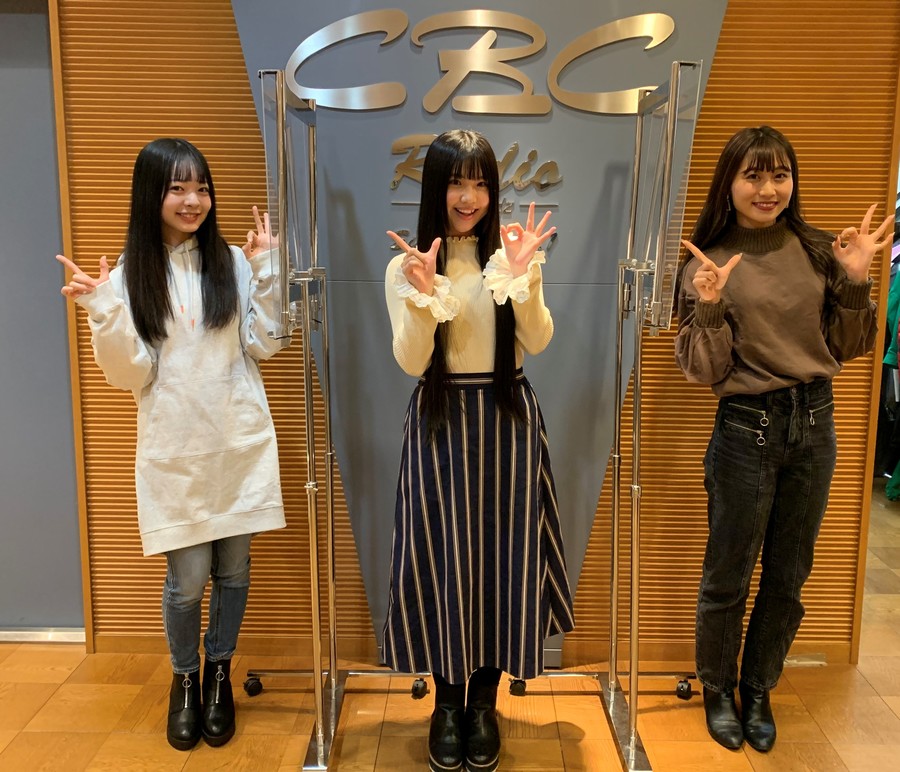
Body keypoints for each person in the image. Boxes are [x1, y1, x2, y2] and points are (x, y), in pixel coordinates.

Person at [57, 138, 287, 751]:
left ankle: (219, 673)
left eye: (201, 188)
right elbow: (129, 373)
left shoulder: (231, 262)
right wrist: (103, 310)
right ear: (150, 195)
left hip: (237, 443)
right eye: (177, 188)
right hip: (175, 451)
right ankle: (185, 677)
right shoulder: (130, 275)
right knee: (187, 581)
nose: (193, 200)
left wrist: (266, 268)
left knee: (234, 572)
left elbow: (266, 343)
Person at [675, 125, 889, 753]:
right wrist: (709, 302)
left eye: (779, 174)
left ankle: (759, 685)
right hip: (746, 428)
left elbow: (849, 347)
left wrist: (856, 278)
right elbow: (705, 371)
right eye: (753, 175)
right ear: (729, 184)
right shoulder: (707, 262)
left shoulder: (819, 249)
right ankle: (718, 688)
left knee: (789, 573)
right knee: (729, 572)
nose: (768, 188)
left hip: (815, 424)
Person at [381, 129, 575, 772]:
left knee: (502, 565)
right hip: (439, 425)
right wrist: (423, 295)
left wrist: (525, 279)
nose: (469, 197)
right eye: (457, 182)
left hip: (507, 424)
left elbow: (538, 342)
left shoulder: (512, 256)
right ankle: (446, 704)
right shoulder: (406, 266)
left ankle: (484, 704)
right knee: (444, 563)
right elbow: (411, 361)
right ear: (436, 188)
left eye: (481, 182)